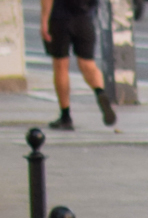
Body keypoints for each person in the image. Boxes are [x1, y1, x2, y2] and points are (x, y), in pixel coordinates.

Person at [40, 0, 116, 131]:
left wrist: (44, 20)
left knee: (61, 66)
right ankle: (100, 91)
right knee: (88, 64)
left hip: (59, 18)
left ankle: (65, 116)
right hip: (84, 19)